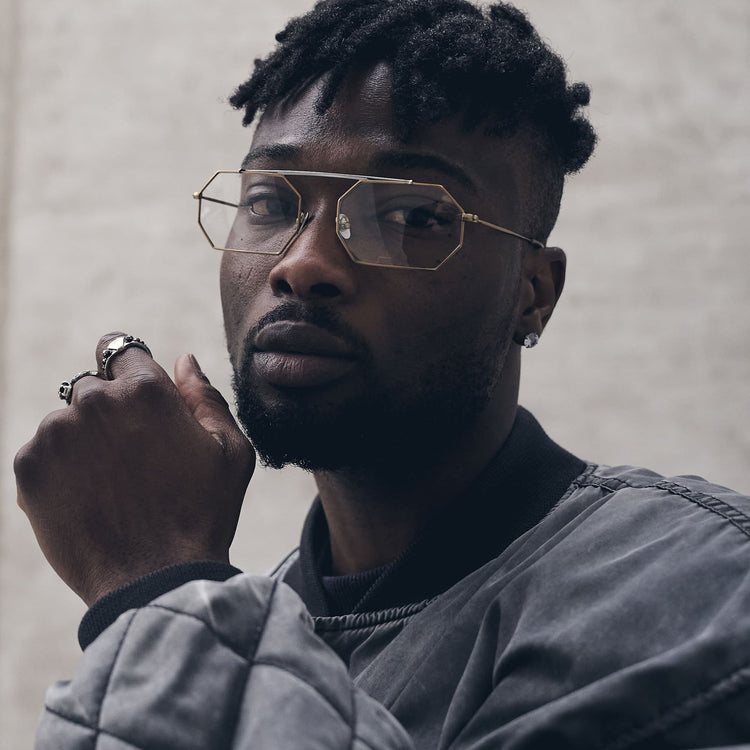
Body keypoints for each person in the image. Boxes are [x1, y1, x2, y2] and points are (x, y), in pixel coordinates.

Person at [14, 0, 750, 747]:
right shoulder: (248, 616)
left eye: (409, 216)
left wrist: (159, 586)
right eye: (270, 201)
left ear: (533, 293)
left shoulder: (700, 585)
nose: (303, 263)